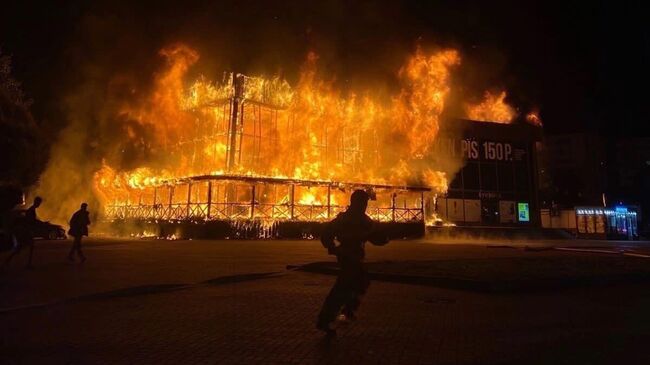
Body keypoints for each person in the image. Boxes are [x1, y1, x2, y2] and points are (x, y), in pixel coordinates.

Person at [316, 189, 389, 336]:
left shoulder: (363, 219)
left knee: (359, 282)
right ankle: (329, 318)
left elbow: (374, 236)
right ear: (356, 202)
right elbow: (327, 233)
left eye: (365, 202)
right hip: (348, 256)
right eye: (363, 202)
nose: (365, 205)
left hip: (355, 255)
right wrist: (333, 248)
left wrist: (384, 238)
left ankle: (345, 311)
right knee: (344, 287)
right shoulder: (346, 218)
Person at [2, 196, 42, 269]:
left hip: (25, 230)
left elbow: (31, 220)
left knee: (21, 248)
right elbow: (30, 221)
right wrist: (40, 223)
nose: (39, 204)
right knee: (30, 246)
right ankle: (28, 264)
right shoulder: (31, 210)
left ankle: (8, 259)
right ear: (36, 202)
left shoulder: (32, 209)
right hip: (25, 231)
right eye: (39, 202)